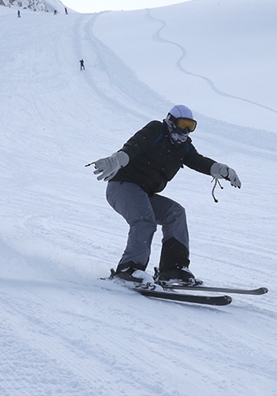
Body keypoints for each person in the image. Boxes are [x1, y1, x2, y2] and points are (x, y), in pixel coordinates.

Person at [89, 105, 241, 285]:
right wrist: (116, 160)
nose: (186, 130)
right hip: (123, 187)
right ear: (171, 121)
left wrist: (220, 169)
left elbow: (198, 161)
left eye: (191, 126)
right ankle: (129, 269)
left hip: (144, 194)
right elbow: (133, 147)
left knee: (175, 213)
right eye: (183, 124)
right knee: (144, 220)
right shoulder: (156, 130)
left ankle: (173, 269)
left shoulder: (183, 146)